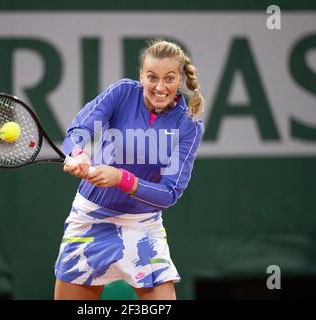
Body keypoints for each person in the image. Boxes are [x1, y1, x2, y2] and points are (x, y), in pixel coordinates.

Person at [54, 40, 205, 300]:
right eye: (152, 77)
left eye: (169, 78)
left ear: (179, 79)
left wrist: (121, 178)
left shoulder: (188, 125)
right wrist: (77, 153)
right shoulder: (122, 92)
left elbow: (169, 193)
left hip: (143, 227)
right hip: (90, 220)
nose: (160, 87)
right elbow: (80, 128)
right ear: (141, 77)